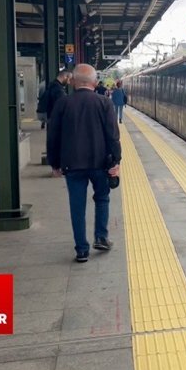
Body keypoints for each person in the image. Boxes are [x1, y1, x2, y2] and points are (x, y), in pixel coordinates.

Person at [48, 64, 121, 263]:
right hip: (100, 164)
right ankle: (101, 237)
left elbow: (53, 135)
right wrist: (116, 161)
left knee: (77, 206)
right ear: (95, 83)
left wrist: (54, 163)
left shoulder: (63, 104)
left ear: (72, 82)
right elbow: (113, 136)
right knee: (102, 198)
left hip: (72, 165)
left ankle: (81, 250)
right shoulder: (104, 103)